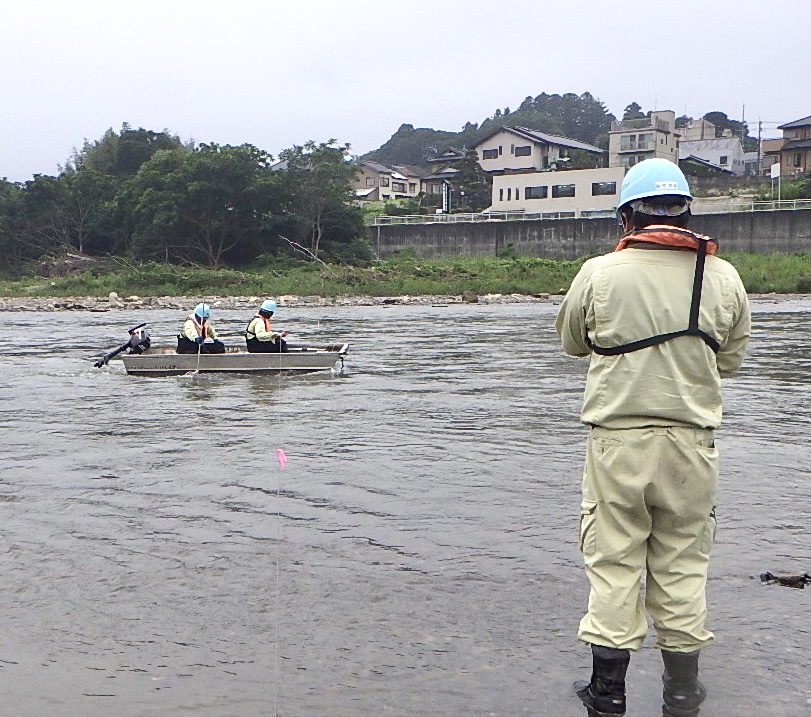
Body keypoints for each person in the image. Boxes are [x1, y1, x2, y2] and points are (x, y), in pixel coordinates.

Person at [555, 158, 750, 717]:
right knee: (684, 565)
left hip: (617, 441)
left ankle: (607, 693)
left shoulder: (599, 273)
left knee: (614, 563)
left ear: (626, 217)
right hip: (694, 443)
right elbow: (731, 360)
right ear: (687, 211)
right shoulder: (724, 276)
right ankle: (682, 693)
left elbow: (572, 343)